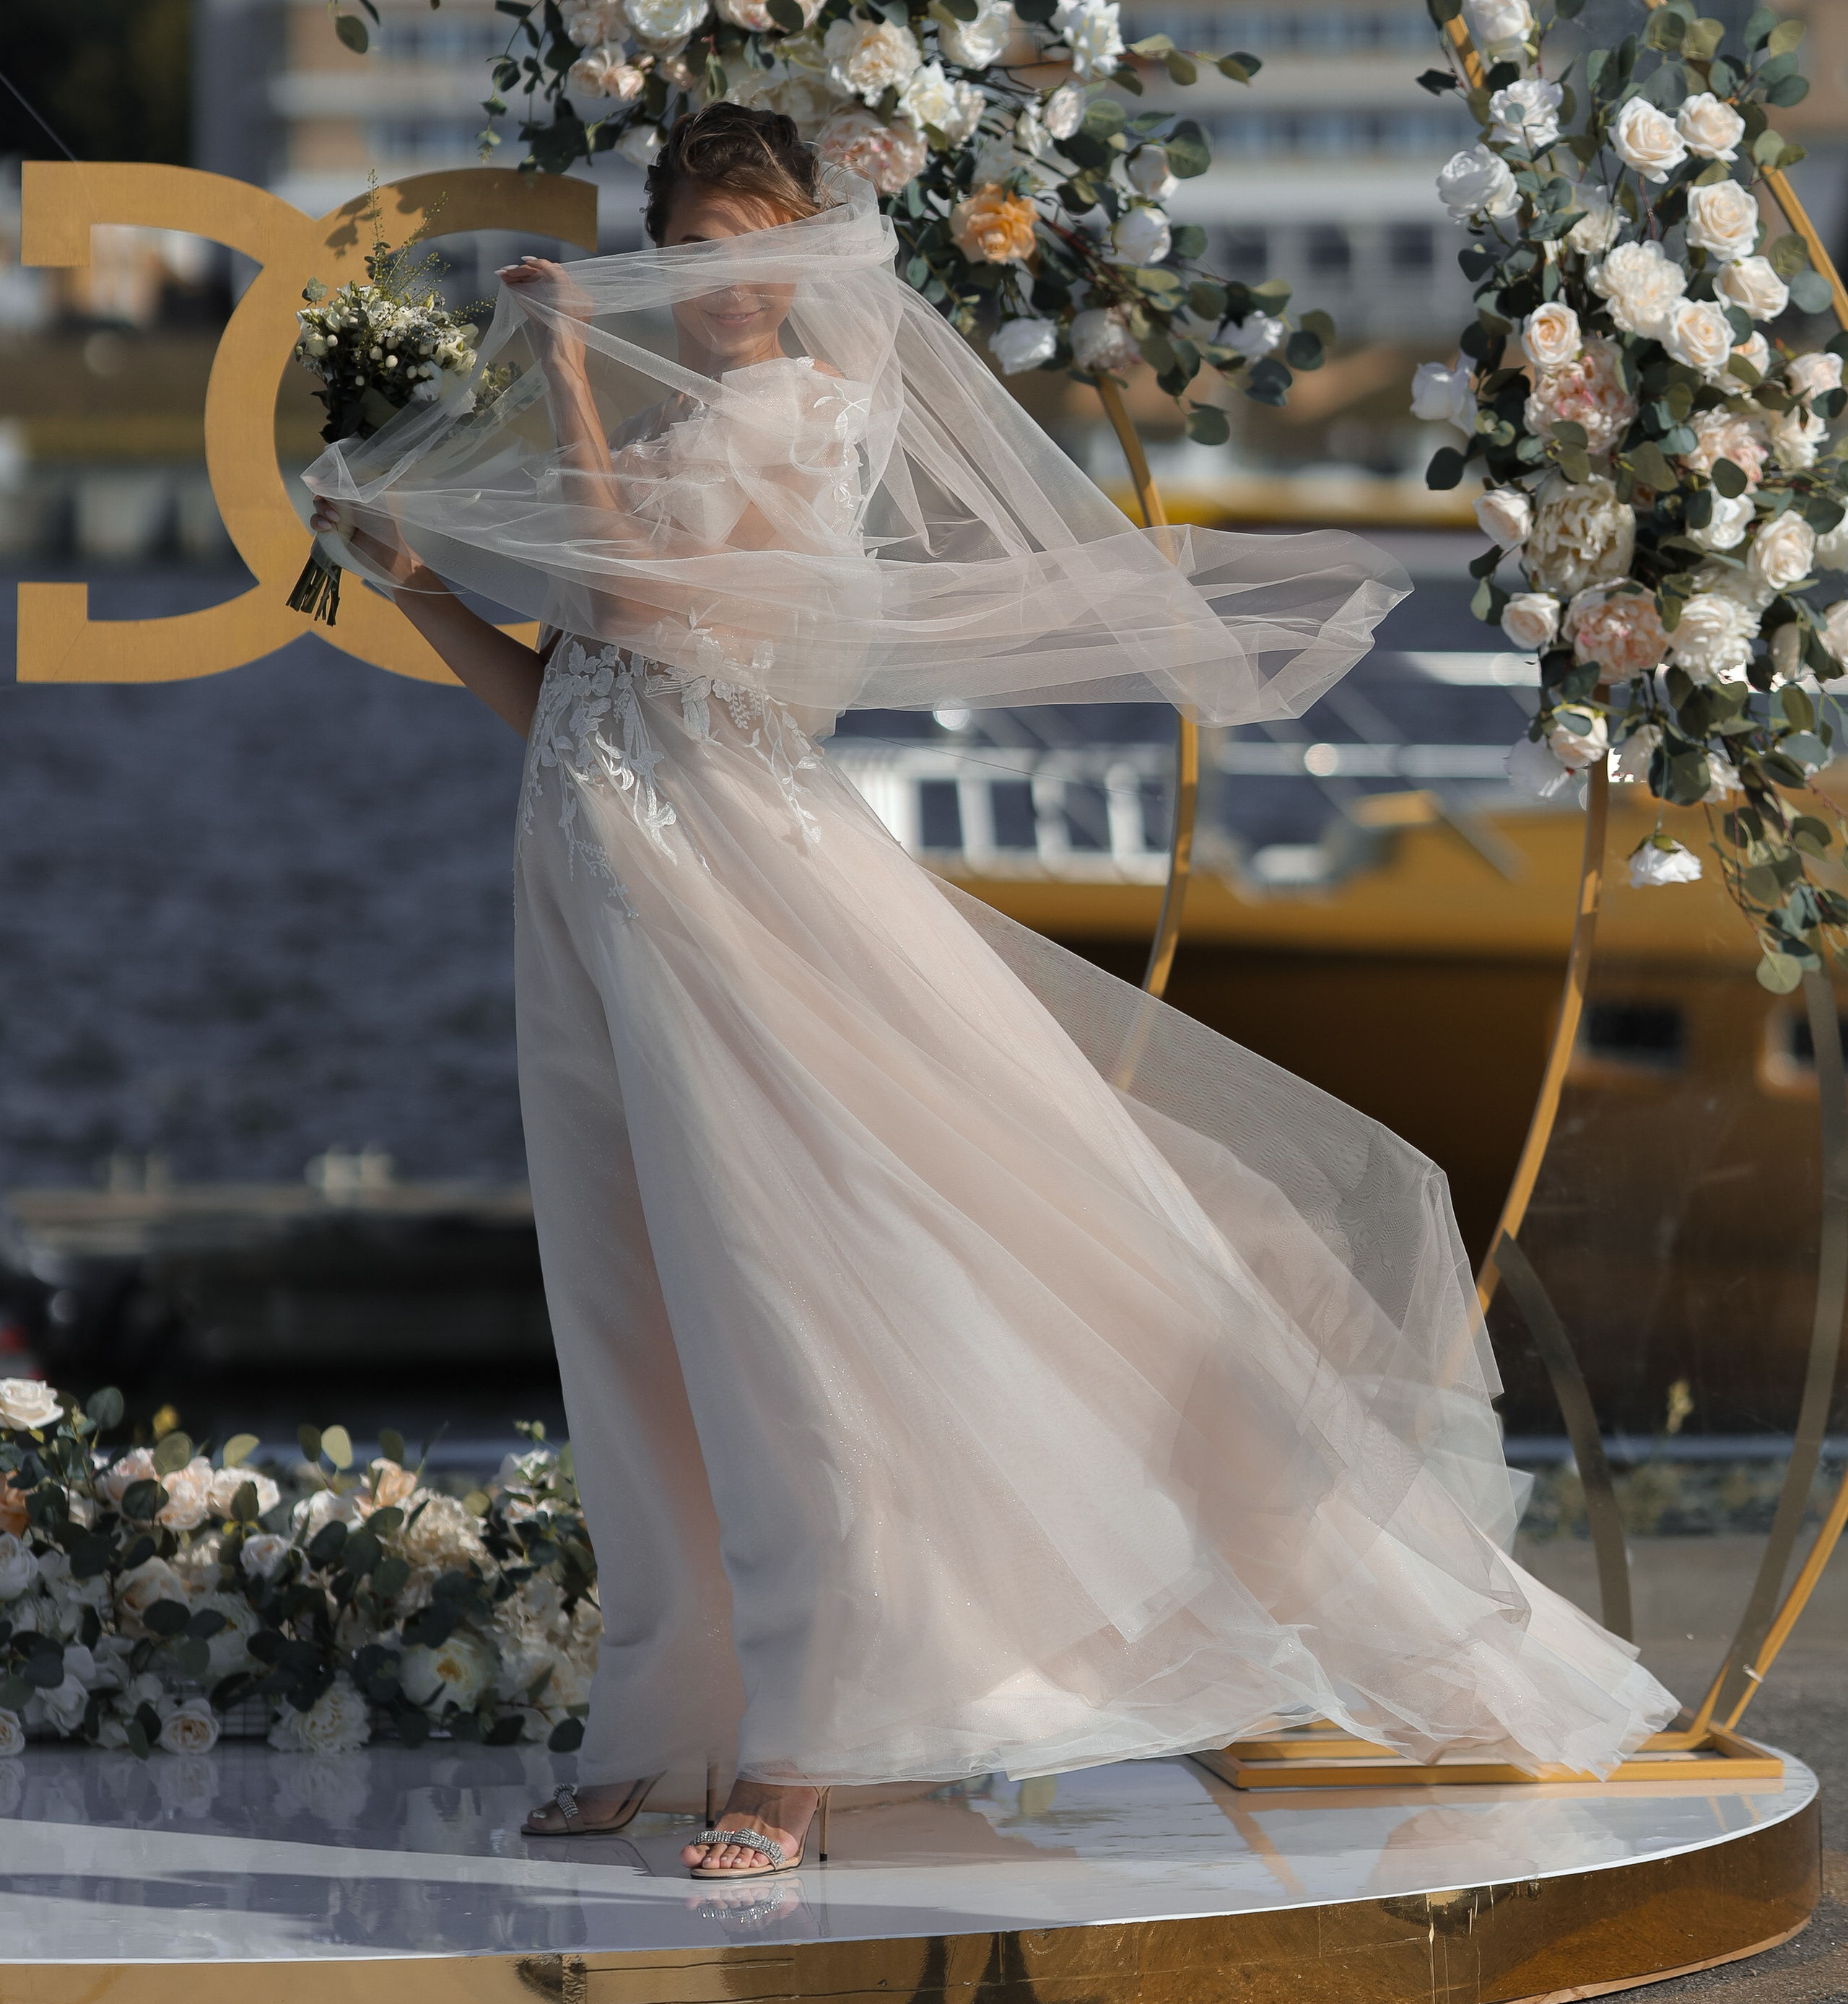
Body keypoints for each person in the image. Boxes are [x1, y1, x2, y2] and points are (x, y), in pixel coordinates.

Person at [308, 103, 1675, 1881]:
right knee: (633, 1311)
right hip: (591, 894)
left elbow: (637, 594)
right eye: (697, 244)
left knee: (784, 1292)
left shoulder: (800, 416)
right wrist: (416, 589)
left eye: (754, 243)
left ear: (803, 253)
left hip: (738, 898)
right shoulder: (674, 425)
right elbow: (569, 692)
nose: (725, 281)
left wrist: (562, 369)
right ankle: (663, 1717)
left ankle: (801, 1748)